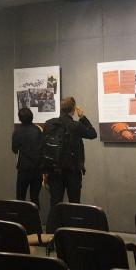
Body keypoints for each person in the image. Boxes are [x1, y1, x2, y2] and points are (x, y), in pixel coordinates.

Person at [41, 97, 97, 229]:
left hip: (54, 170)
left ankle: (51, 235)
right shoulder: (75, 125)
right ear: (73, 109)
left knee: (55, 204)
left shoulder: (49, 124)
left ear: (61, 109)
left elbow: (43, 148)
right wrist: (82, 117)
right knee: (74, 204)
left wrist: (44, 171)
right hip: (73, 171)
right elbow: (92, 134)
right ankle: (73, 234)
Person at [11, 108, 42, 208]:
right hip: (37, 168)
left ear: (20, 118)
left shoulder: (17, 132)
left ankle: (21, 217)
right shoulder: (37, 130)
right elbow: (42, 149)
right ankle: (36, 217)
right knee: (35, 197)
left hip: (23, 168)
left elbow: (14, 149)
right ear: (32, 117)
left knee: (20, 198)